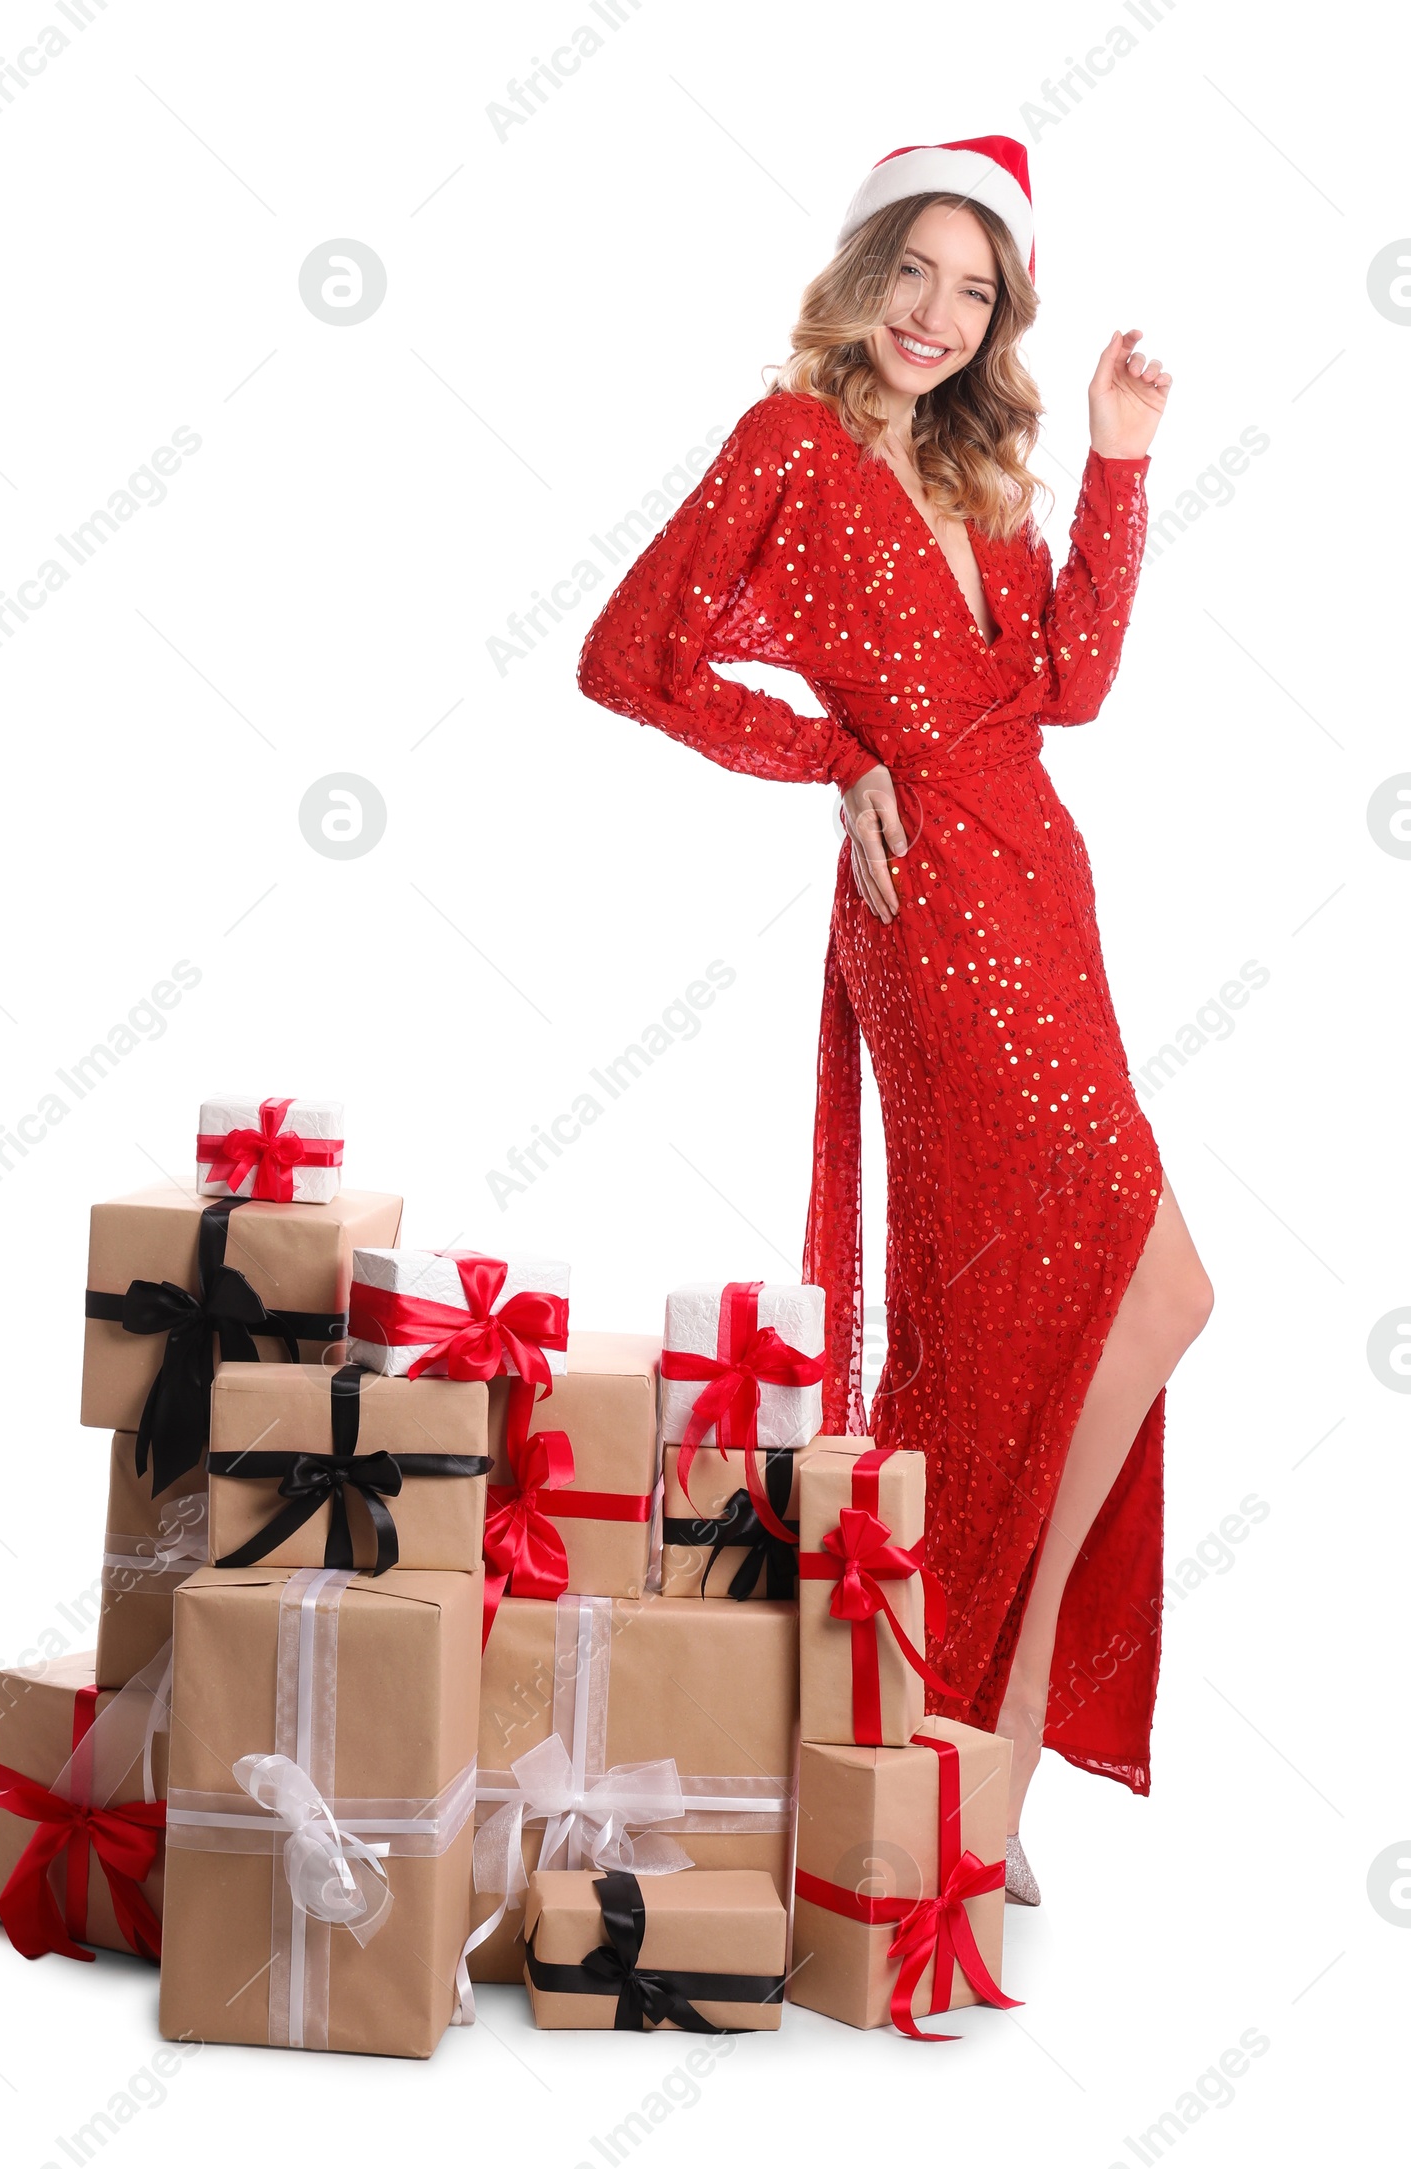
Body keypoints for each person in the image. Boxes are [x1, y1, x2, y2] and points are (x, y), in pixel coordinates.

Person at [575, 137, 1213, 1902]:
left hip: (1043, 891)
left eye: (977, 288)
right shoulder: (792, 443)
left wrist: (1121, 459)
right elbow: (633, 657)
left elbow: (1071, 684)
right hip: (933, 915)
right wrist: (834, 753)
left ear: (1003, 314)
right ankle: (974, 1749)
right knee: (1091, 1293)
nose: (939, 315)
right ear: (861, 271)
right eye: (915, 272)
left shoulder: (974, 453)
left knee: (1090, 1302)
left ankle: (949, 1727)